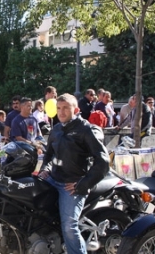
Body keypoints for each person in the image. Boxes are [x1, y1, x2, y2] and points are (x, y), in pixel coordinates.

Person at [38, 93, 109, 254]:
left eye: (65, 108)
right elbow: (49, 155)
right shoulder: (56, 129)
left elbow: (103, 162)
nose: (61, 112)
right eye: (58, 108)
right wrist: (44, 170)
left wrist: (83, 184)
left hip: (72, 184)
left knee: (69, 227)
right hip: (53, 178)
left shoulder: (86, 130)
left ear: (76, 109)